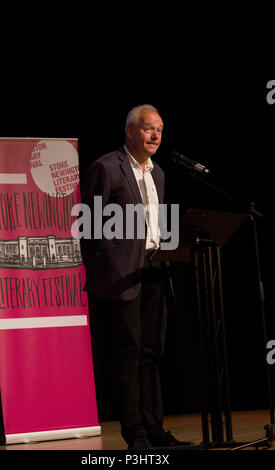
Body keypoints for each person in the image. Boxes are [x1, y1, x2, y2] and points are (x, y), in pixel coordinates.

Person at [80, 104, 192, 449]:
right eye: (148, 129)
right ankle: (136, 433)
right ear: (130, 131)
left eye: (159, 129)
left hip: (155, 271)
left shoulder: (158, 173)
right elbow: (88, 228)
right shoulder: (106, 168)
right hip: (121, 277)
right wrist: (104, 271)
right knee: (127, 355)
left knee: (151, 354)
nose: (156, 135)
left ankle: (155, 429)